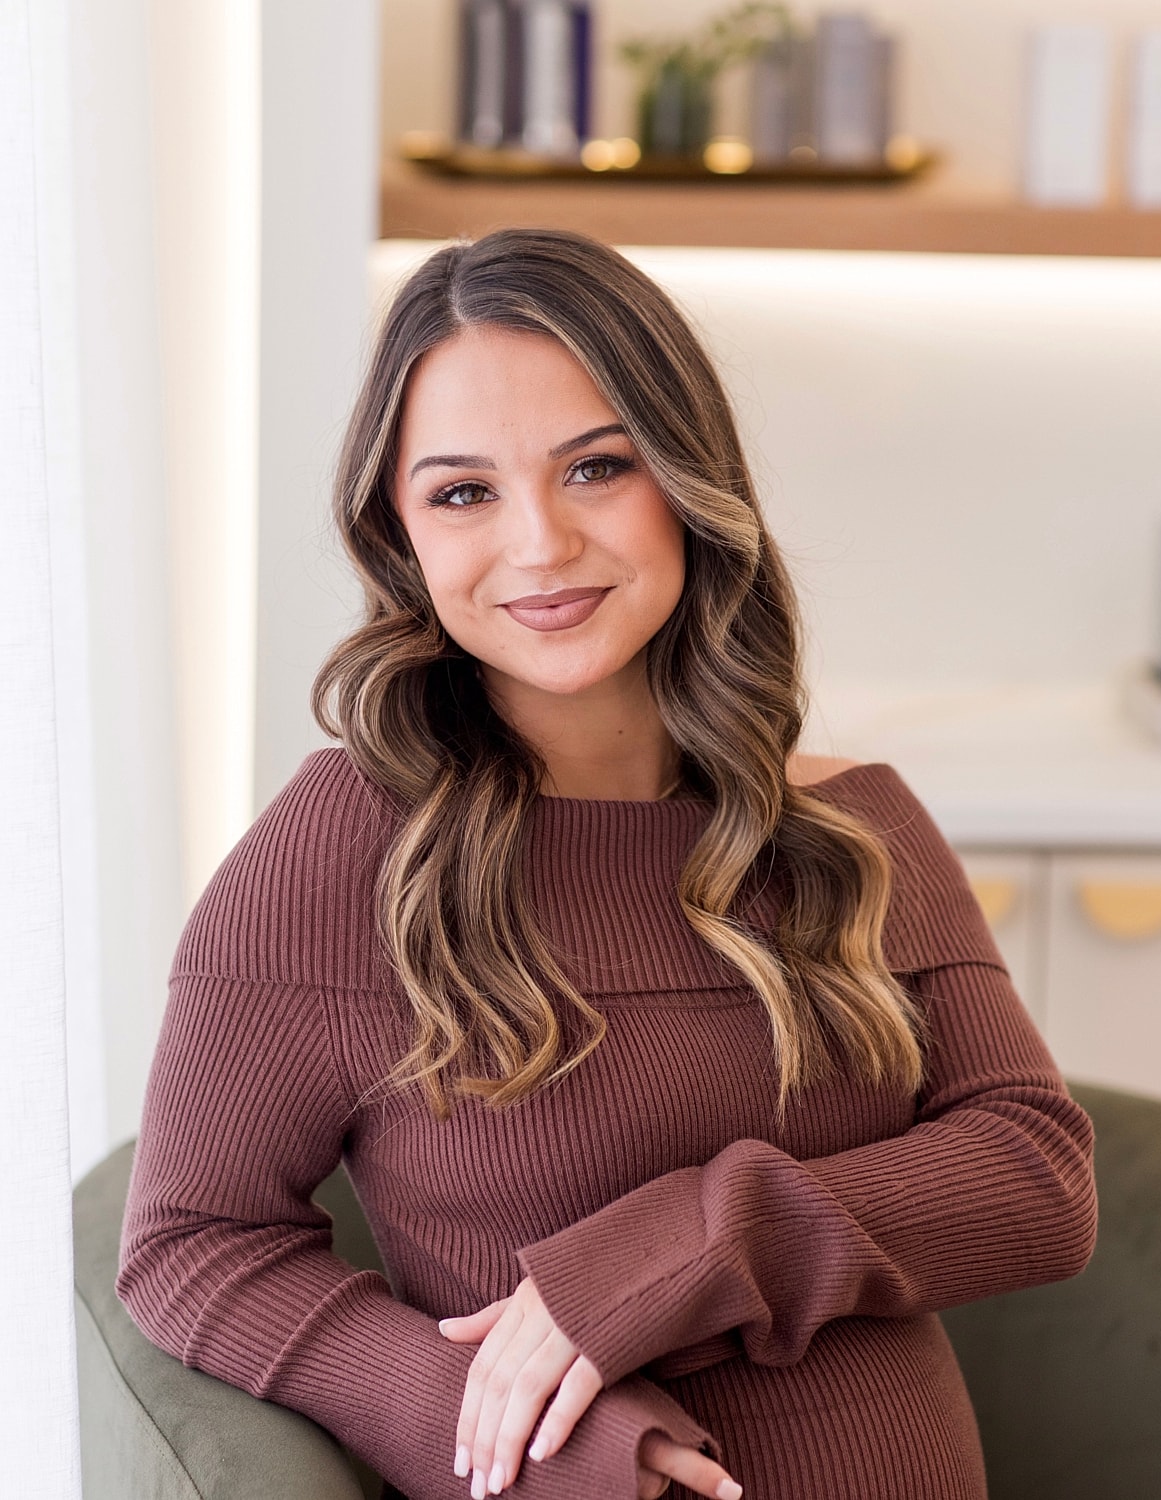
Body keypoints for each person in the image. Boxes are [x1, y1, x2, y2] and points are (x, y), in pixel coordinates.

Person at [117, 227, 1099, 1500]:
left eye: (595, 468)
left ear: (687, 482)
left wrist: (672, 1254)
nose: (537, 545)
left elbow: (1036, 1171)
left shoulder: (853, 823)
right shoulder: (346, 851)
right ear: (400, 535)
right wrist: (508, 1435)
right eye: (462, 492)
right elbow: (193, 1245)